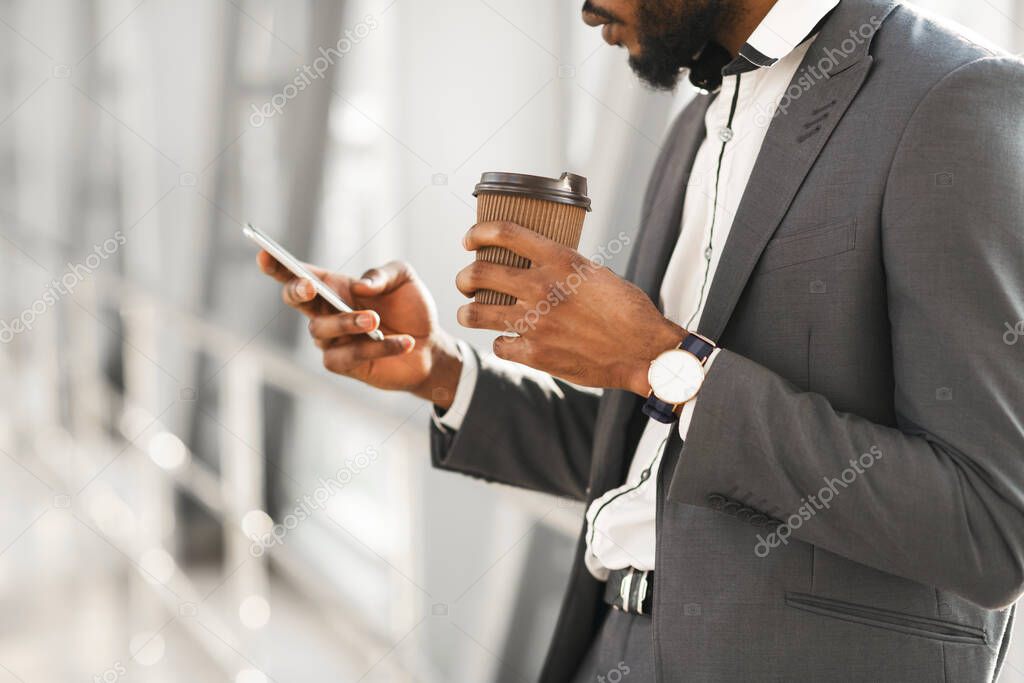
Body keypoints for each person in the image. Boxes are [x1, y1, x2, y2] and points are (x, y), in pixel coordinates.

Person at [258, 0, 1024, 680]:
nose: (585, 10)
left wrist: (659, 359)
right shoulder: (698, 123)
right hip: (611, 645)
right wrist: (439, 372)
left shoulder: (953, 97)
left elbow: (989, 527)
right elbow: (661, 451)